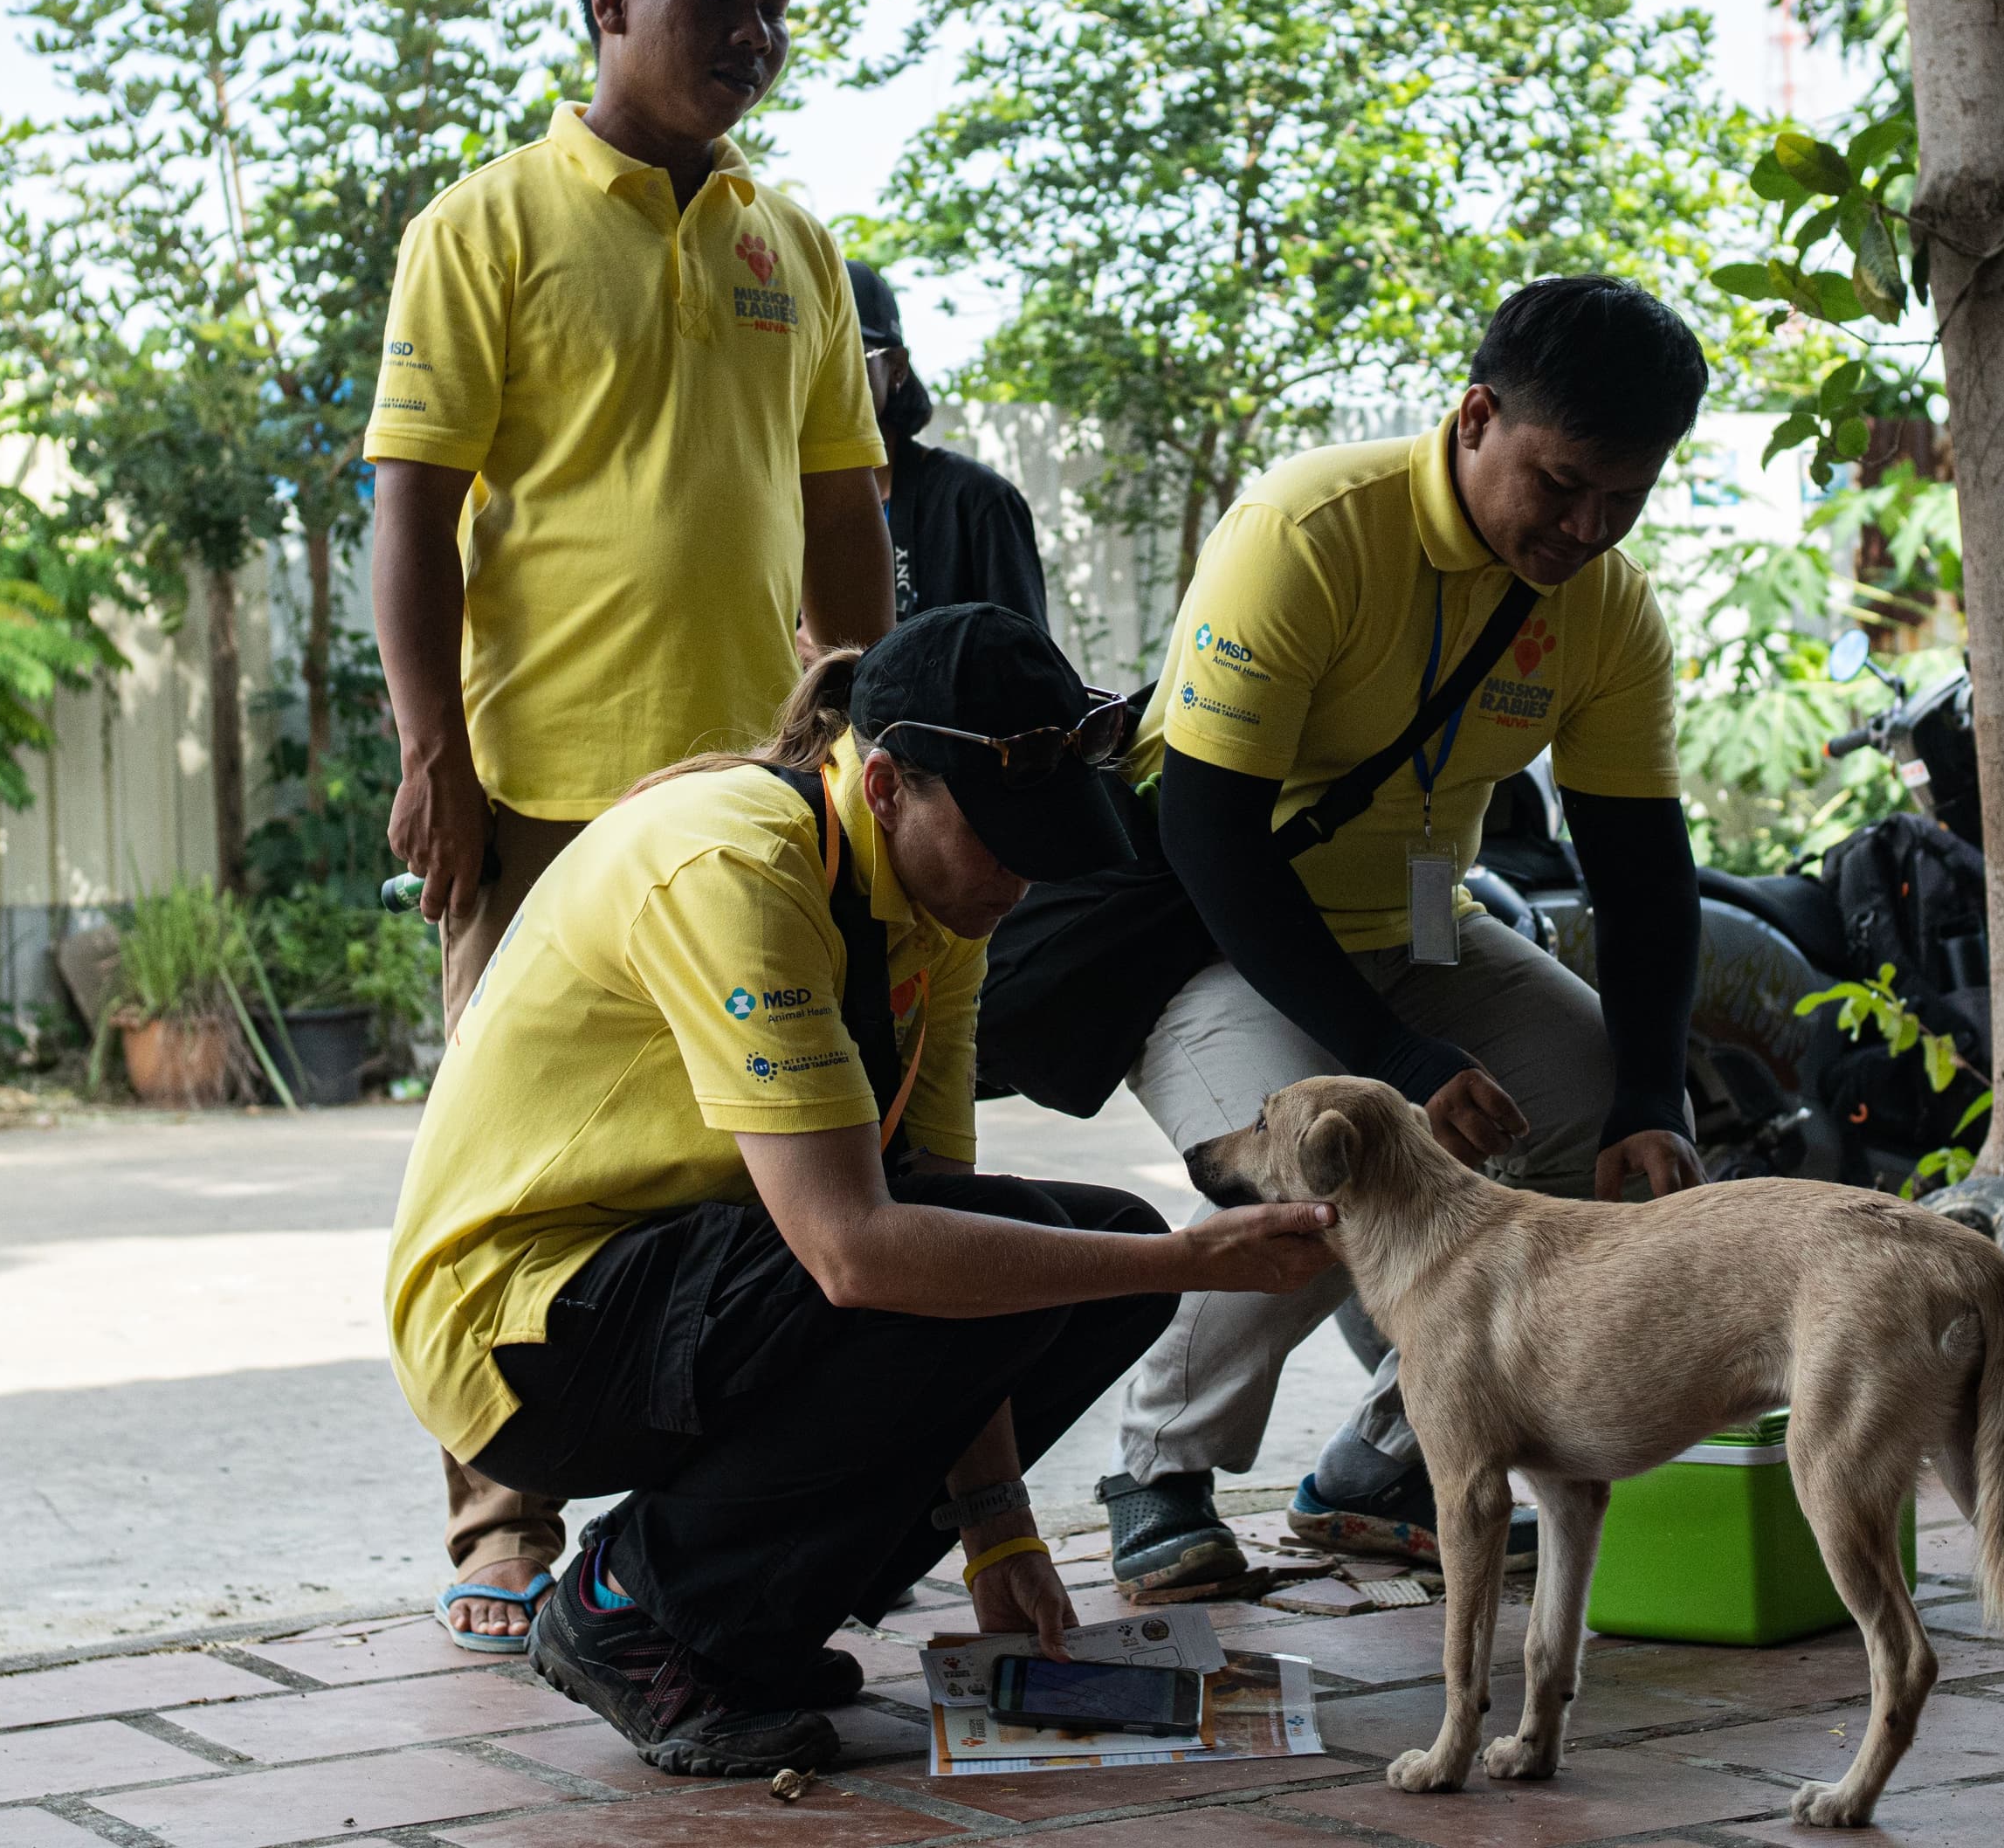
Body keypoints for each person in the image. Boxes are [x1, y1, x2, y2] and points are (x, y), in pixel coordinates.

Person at [384, 609, 1340, 1776]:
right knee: (1075, 1258)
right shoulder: (735, 863)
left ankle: (738, 1623)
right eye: (1003, 841)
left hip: (676, 1284)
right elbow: (858, 1254)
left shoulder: (935, 907)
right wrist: (1189, 1265)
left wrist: (1000, 1538)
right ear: (887, 784)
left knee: (1084, 1256)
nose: (1024, 879)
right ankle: (629, 1601)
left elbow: (950, 1239)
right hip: (515, 1329)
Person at [364, 0, 894, 1652]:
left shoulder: (791, 245)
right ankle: (502, 1517)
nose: (751, 35)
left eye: (772, 9)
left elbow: (844, 522)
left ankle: (692, 1519)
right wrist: (429, 748)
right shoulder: (485, 228)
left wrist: (865, 717)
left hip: (765, 795)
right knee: (514, 1164)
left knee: (747, 1163)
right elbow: (413, 515)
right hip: (541, 793)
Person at [1097, 275, 1712, 1596]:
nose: (1587, 529)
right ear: (1477, 417)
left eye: (1627, 499)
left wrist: (1650, 1097)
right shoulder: (1307, 527)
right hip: (1215, 937)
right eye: (1560, 485)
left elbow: (1644, 867)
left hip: (1422, 935)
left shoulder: (1609, 607)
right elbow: (1209, 833)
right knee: (1334, 1159)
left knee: (1591, 1100)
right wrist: (1399, 1058)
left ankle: (1384, 1462)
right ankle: (1158, 1466)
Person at [847, 260, 1053, 630]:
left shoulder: (975, 501)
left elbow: (1028, 671)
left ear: (897, 367)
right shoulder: (781, 504)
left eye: (845, 353)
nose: (822, 373)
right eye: (808, 354)